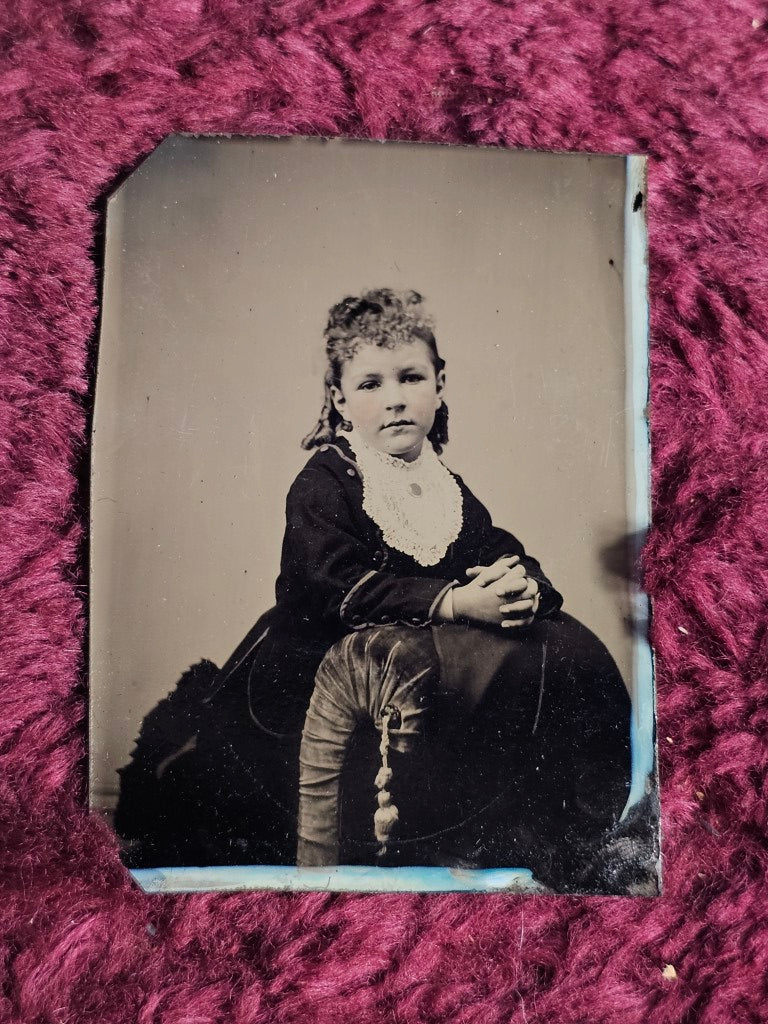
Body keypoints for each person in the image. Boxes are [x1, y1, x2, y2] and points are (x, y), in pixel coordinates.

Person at [116, 287, 632, 890]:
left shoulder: (443, 485)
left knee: (553, 643)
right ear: (339, 397)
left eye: (411, 378)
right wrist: (457, 601)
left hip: (401, 672)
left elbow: (493, 546)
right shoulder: (326, 482)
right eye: (370, 385)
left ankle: (552, 833)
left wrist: (521, 587)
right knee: (228, 807)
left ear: (439, 385)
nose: (394, 401)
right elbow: (334, 586)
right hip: (308, 674)